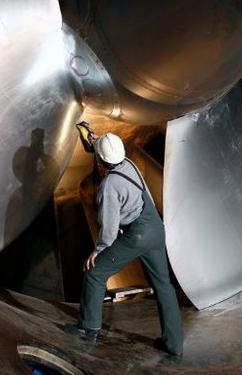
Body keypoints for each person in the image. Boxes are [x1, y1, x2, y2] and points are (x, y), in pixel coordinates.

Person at [63, 122, 184, 357]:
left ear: (100, 163)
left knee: (95, 273)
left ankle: (88, 330)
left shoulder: (109, 186)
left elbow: (108, 228)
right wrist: (95, 139)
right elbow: (107, 150)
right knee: (164, 287)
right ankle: (174, 344)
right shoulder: (128, 163)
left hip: (137, 234)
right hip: (156, 227)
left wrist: (98, 250)